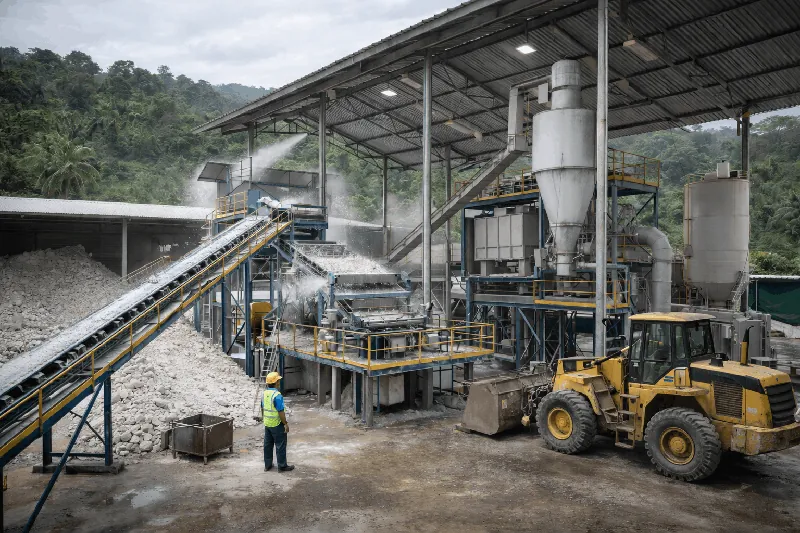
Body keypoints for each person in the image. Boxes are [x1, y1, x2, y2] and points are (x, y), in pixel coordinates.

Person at [262, 372, 294, 472]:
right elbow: (281, 412)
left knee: (268, 445)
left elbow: (262, 408)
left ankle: (267, 465)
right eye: (278, 380)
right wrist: (285, 423)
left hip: (267, 423)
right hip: (277, 424)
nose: (279, 382)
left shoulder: (264, 394)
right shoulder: (277, 395)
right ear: (276, 383)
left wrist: (264, 419)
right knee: (280, 445)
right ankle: (282, 466)